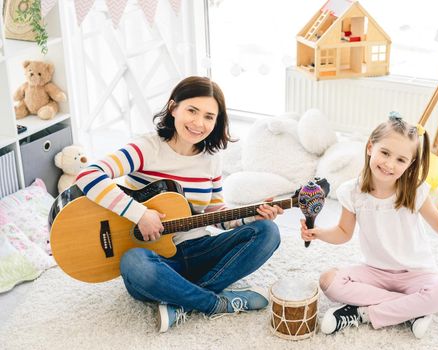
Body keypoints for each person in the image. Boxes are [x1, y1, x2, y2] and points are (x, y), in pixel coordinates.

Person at [75, 76, 283, 333]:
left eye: (209, 116)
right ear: (174, 108)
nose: (198, 123)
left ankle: (183, 301)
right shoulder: (146, 147)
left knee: (268, 233)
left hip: (199, 249)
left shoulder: (211, 159)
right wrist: (139, 213)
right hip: (156, 259)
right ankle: (214, 303)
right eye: (192, 111)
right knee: (133, 263)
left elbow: (215, 215)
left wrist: (251, 216)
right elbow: (88, 175)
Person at [300, 113, 438, 339]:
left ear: (410, 164)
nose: (389, 164)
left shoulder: (415, 190)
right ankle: (411, 309)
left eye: (400, 160)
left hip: (416, 273)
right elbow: (343, 232)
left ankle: (363, 312)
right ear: (369, 148)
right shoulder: (351, 191)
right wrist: (318, 233)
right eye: (384, 153)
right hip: (375, 272)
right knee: (328, 281)